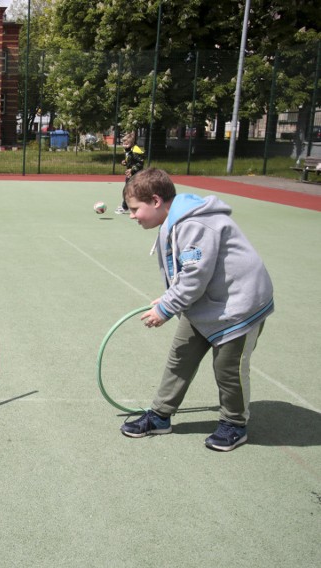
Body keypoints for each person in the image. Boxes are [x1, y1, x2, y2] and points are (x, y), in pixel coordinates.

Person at [119, 168, 274, 452]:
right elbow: (188, 273)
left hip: (238, 306)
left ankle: (234, 424)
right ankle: (160, 415)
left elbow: (195, 276)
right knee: (180, 356)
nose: (131, 216)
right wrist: (168, 297)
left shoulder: (195, 225)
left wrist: (166, 308)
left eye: (134, 209)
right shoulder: (176, 220)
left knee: (228, 368)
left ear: (155, 201)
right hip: (207, 302)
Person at [115, 131, 145, 213]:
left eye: (126, 144)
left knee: (129, 190)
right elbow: (131, 160)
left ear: (131, 143)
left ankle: (126, 207)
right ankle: (127, 206)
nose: (124, 146)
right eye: (123, 144)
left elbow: (140, 163)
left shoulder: (135, 151)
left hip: (136, 174)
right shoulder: (128, 150)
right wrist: (125, 162)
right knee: (129, 190)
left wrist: (132, 169)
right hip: (131, 174)